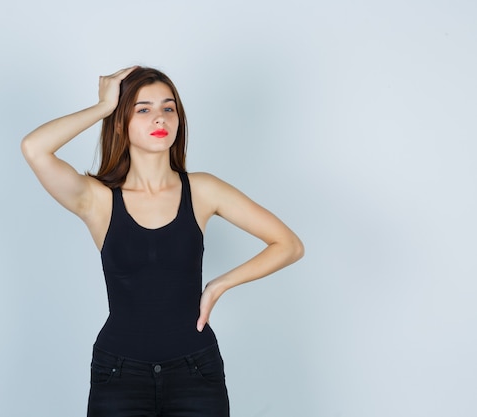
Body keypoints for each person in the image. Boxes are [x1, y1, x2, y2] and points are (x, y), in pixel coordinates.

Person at [21, 66, 304, 417]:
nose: (160, 117)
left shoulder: (202, 190)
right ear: (121, 123)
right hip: (119, 375)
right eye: (143, 109)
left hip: (195, 372)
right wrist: (103, 107)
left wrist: (219, 285)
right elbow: (34, 148)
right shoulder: (98, 200)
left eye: (168, 108)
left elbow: (288, 244)